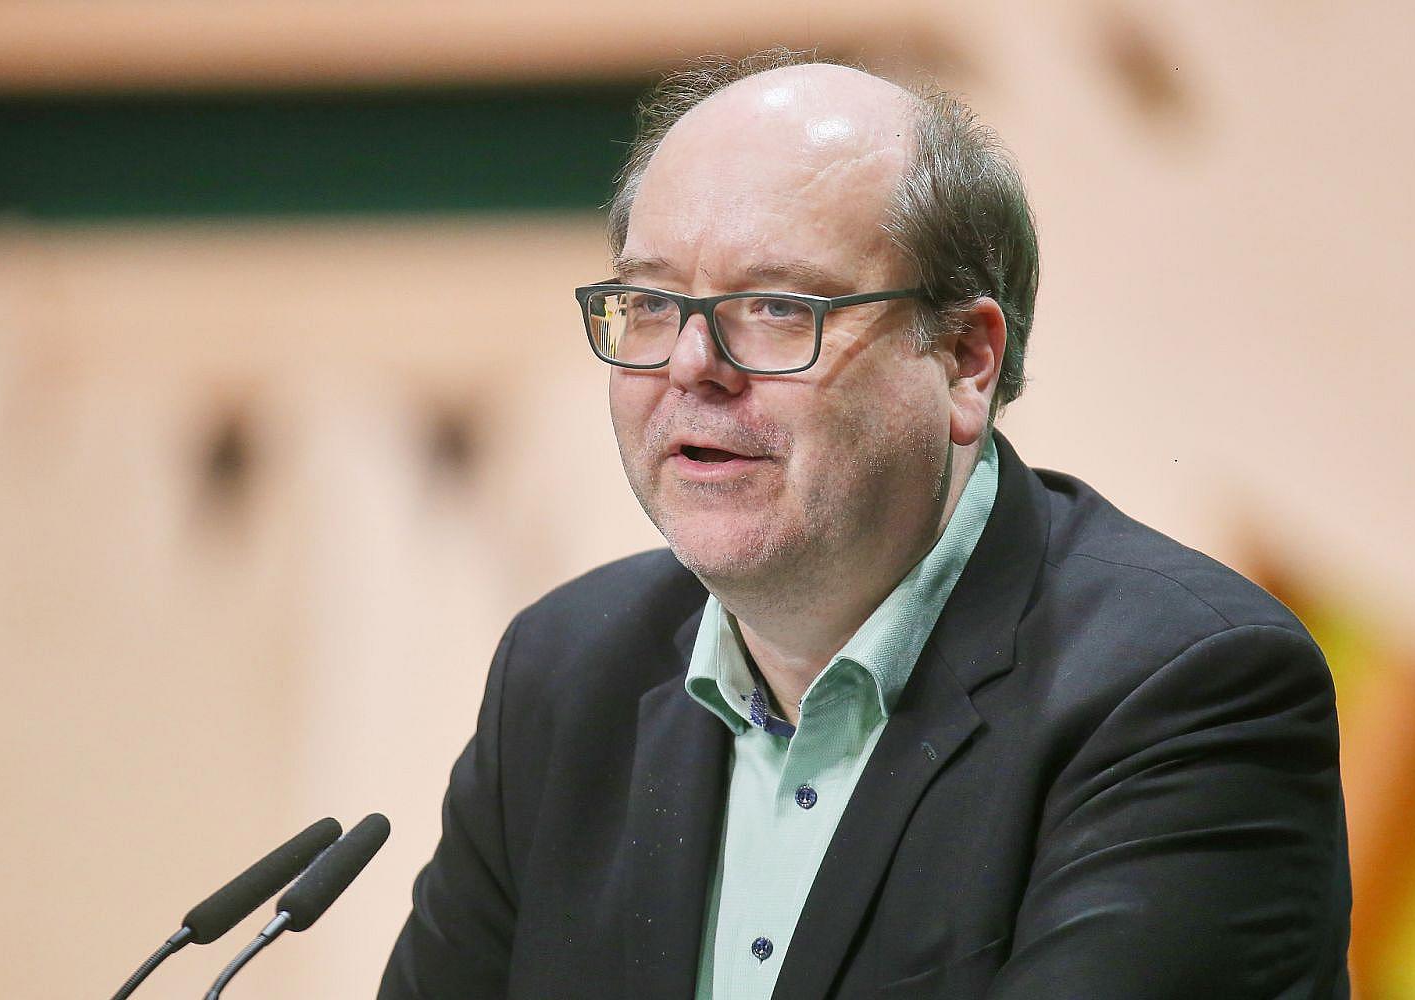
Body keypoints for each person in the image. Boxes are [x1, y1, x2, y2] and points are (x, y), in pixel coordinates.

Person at [379, 50, 1351, 999]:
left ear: (965, 359)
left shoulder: (1184, 688)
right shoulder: (565, 673)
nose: (690, 365)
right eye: (651, 303)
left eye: (773, 306)